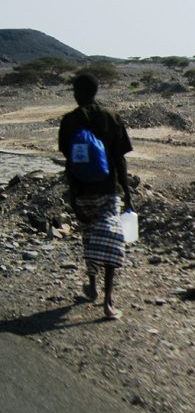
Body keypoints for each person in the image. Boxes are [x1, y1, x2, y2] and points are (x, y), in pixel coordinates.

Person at [58, 73, 133, 320]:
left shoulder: (69, 121)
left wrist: (73, 196)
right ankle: (108, 299)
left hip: (82, 191)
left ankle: (92, 284)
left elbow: (69, 161)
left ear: (76, 93)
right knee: (112, 239)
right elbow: (121, 159)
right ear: (96, 91)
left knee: (88, 236)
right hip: (109, 190)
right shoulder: (112, 118)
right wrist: (128, 194)